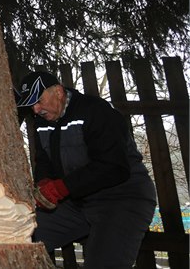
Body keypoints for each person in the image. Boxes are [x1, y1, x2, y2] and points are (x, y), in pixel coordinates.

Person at [16, 71, 156, 268]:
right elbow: (44, 159)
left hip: (122, 200)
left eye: (38, 101)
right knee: (20, 236)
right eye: (31, 105)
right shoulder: (42, 121)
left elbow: (113, 167)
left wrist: (62, 188)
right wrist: (44, 181)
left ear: (58, 91)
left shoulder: (96, 111)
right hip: (78, 202)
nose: (35, 109)